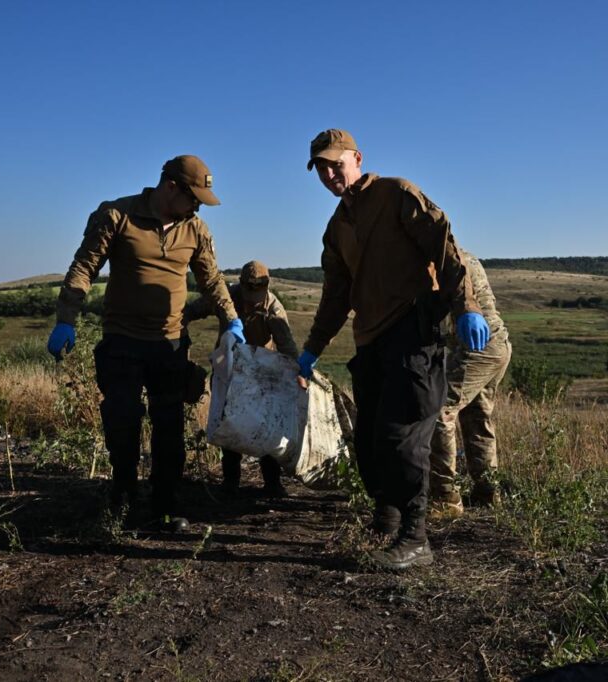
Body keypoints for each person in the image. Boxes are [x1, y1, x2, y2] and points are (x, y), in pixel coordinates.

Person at [297, 129, 490, 570]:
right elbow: (335, 295)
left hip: (413, 331)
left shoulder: (396, 194)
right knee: (368, 441)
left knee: (402, 436)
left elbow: (446, 248)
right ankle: (387, 515)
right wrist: (311, 349)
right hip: (371, 340)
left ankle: (416, 536)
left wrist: (466, 308)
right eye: (321, 168)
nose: (329, 174)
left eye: (335, 163)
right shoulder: (336, 227)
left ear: (357, 157)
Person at [47, 155, 245, 533]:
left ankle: (165, 507)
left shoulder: (195, 229)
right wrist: (65, 320)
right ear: (171, 187)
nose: (199, 205)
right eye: (195, 197)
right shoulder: (117, 216)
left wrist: (231, 318)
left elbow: (212, 279)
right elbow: (83, 267)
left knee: (169, 427)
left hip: (169, 344)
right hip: (122, 341)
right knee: (122, 421)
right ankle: (122, 495)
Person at [183, 259, 299, 497]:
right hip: (230, 370)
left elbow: (287, 346)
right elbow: (194, 310)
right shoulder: (228, 298)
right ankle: (230, 482)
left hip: (263, 375)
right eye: (248, 293)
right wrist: (178, 320)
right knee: (229, 423)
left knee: (267, 425)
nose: (250, 300)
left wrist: (299, 374)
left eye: (256, 294)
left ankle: (272, 483)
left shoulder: (274, 310)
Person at [428, 249, 511, 519]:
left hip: (478, 347)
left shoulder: (444, 258)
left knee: (440, 410)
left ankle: (445, 497)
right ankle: (487, 493)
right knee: (477, 417)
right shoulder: (465, 256)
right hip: (496, 345)